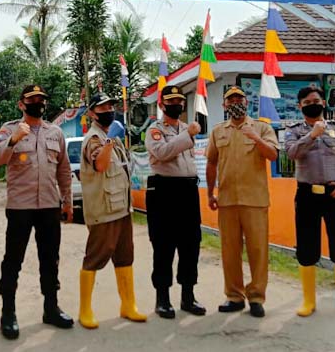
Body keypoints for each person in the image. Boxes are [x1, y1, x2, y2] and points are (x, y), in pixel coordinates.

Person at [0, 85, 74, 339]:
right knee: (13, 261)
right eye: (32, 99)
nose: (37, 103)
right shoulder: (9, 129)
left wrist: (67, 201)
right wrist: (14, 139)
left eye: (41, 99)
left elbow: (63, 170)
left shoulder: (55, 132)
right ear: (21, 104)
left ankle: (51, 308)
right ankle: (8, 313)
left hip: (49, 206)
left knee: (50, 260)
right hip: (20, 208)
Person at [284, 86, 335, 320]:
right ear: (300, 106)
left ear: (323, 103)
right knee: (307, 248)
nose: (312, 105)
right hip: (307, 195)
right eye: (307, 102)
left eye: (316, 100)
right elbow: (291, 154)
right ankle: (309, 301)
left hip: (334, 194)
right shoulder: (294, 131)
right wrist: (312, 135)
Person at [205, 86, 278, 318]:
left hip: (255, 200)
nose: (235, 102)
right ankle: (234, 296)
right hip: (227, 200)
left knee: (258, 250)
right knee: (229, 252)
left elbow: (273, 155)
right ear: (224, 105)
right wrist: (210, 193)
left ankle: (256, 297)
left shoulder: (262, 128)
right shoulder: (218, 131)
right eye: (230, 100)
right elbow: (211, 163)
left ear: (247, 103)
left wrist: (256, 138)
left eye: (239, 99)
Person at [78, 92, 147, 329]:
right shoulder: (94, 139)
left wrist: (112, 140)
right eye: (102, 107)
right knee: (95, 258)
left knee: (125, 256)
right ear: (92, 113)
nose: (108, 110)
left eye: (110, 106)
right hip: (103, 210)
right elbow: (100, 164)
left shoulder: (113, 139)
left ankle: (128, 305)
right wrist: (109, 141)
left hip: (122, 208)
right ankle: (85, 310)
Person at [145, 85, 205, 319]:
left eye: (179, 101)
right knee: (163, 245)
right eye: (171, 102)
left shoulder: (185, 127)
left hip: (188, 190)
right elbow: (163, 152)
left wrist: (187, 133)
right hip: (164, 191)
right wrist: (188, 135)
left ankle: (188, 296)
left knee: (191, 244)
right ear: (162, 105)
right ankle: (162, 299)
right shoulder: (155, 130)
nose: (176, 105)